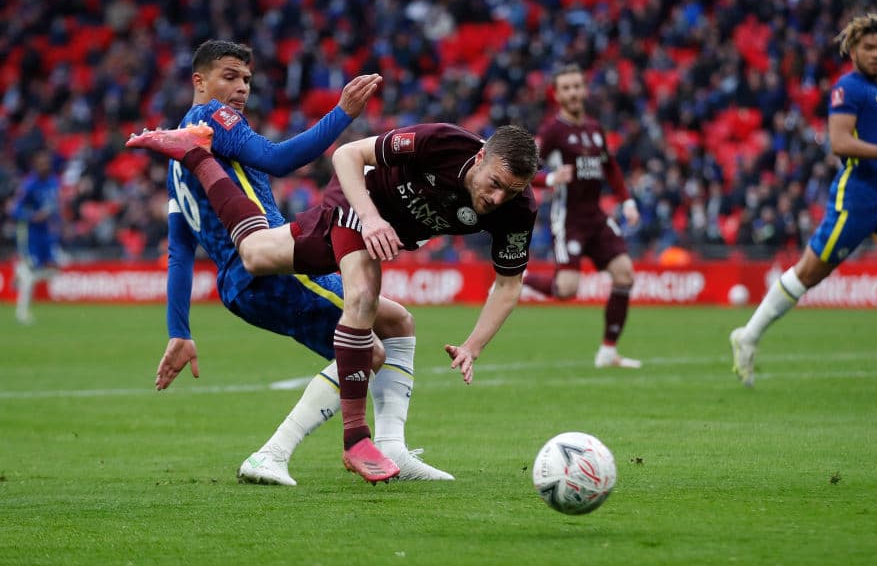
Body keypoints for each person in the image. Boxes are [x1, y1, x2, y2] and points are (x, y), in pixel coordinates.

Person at [128, 117, 539, 483]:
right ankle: (353, 439)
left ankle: (197, 156)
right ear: (480, 157)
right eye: (495, 184)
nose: (498, 199)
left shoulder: (517, 210)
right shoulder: (443, 142)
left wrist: (473, 346)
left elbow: (508, 285)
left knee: (255, 254)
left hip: (376, 229)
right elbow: (347, 155)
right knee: (362, 295)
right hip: (359, 200)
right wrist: (371, 218)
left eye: (511, 191)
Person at [144, 39, 451, 485]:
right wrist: (342, 113)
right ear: (200, 82)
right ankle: (271, 454)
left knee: (397, 322)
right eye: (229, 77)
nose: (241, 88)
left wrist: (179, 331)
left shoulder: (179, 155)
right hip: (272, 269)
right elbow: (277, 159)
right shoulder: (210, 118)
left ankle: (392, 449)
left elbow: (180, 250)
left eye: (246, 79)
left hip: (248, 281)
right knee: (369, 351)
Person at [729, 13, 877, 390]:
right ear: (853, 50)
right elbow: (841, 143)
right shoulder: (848, 88)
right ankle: (748, 336)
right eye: (869, 47)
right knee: (810, 272)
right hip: (858, 196)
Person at [525, 64, 642, 369]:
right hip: (569, 219)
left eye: (577, 86)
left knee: (625, 275)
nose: (574, 93)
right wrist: (551, 178)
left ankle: (608, 352)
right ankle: (521, 279)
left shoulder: (593, 128)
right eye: (567, 88)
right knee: (567, 290)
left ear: (584, 89)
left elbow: (610, 168)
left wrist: (627, 201)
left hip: (596, 217)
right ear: (556, 94)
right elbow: (524, 168)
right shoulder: (552, 131)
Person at [12, 148, 62, 325]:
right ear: (35, 165)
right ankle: (22, 313)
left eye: (47, 163)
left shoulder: (53, 182)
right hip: (30, 234)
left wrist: (57, 223)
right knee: (30, 273)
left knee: (55, 269)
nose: (45, 166)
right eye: (41, 164)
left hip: (46, 233)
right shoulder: (29, 185)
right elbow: (15, 210)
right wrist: (32, 216)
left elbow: (54, 206)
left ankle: (19, 272)